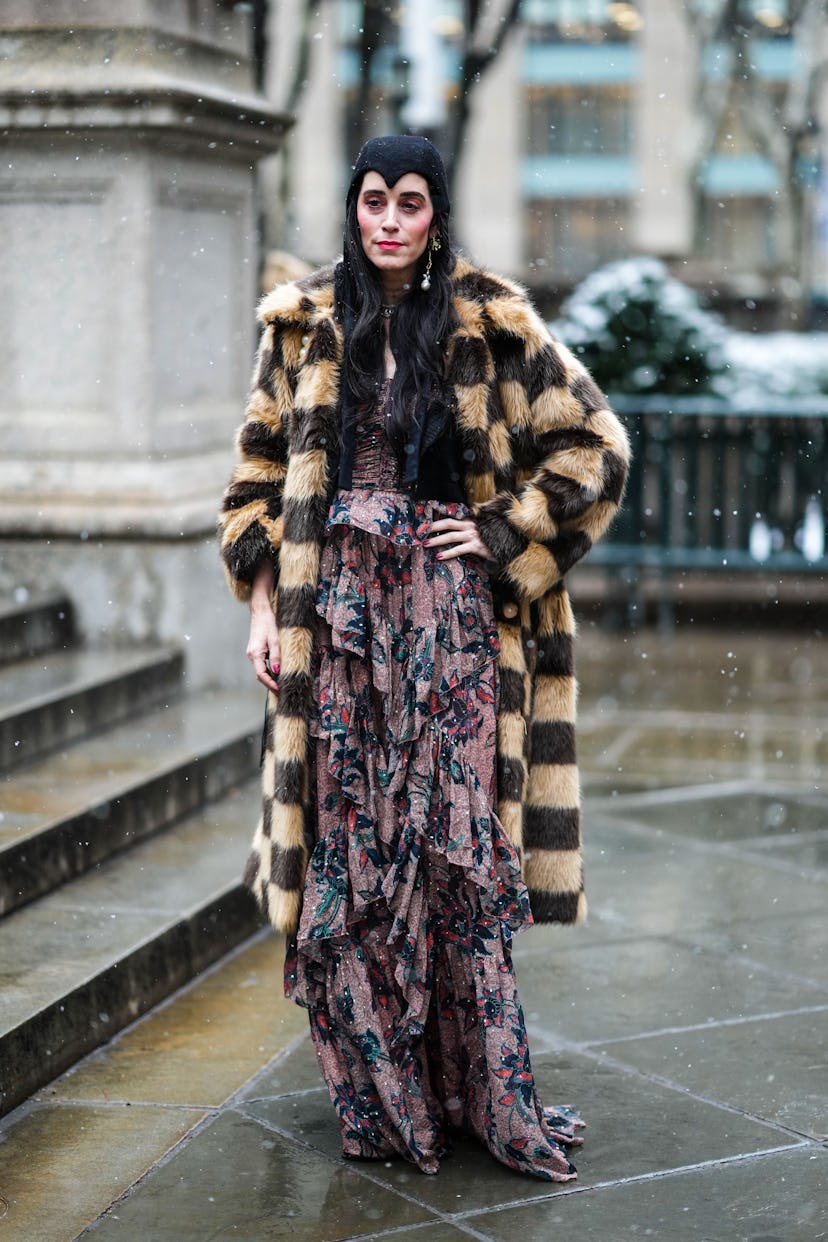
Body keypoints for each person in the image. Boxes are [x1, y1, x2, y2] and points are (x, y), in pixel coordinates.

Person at [219, 135, 630, 1180]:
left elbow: (595, 446)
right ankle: (386, 1098)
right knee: (354, 852)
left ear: (436, 211)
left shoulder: (494, 318)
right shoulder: (303, 322)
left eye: (409, 202)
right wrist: (262, 609)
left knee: (454, 848)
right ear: (353, 209)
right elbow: (256, 483)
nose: (389, 220)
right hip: (339, 624)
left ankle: (476, 1091)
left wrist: (501, 533)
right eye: (373, 201)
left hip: (451, 623)